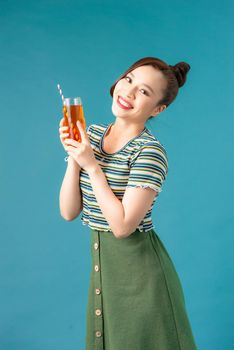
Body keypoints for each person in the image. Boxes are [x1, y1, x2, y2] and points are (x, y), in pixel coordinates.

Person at [59, 56, 198, 349]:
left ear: (158, 109)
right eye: (129, 79)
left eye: (145, 92)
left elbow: (122, 227)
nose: (130, 92)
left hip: (142, 281)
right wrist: (75, 157)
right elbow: (69, 211)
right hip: (104, 275)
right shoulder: (92, 134)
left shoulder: (149, 152)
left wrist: (93, 166)